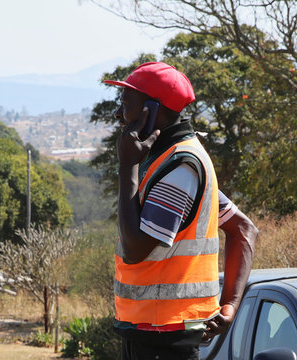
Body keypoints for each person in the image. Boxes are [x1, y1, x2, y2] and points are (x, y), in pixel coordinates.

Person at [105, 62, 258, 359]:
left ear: (152, 109)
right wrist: (228, 307)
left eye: (126, 105)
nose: (119, 114)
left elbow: (135, 249)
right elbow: (243, 229)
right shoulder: (170, 160)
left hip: (164, 338)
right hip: (152, 334)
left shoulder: (182, 168)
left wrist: (127, 165)